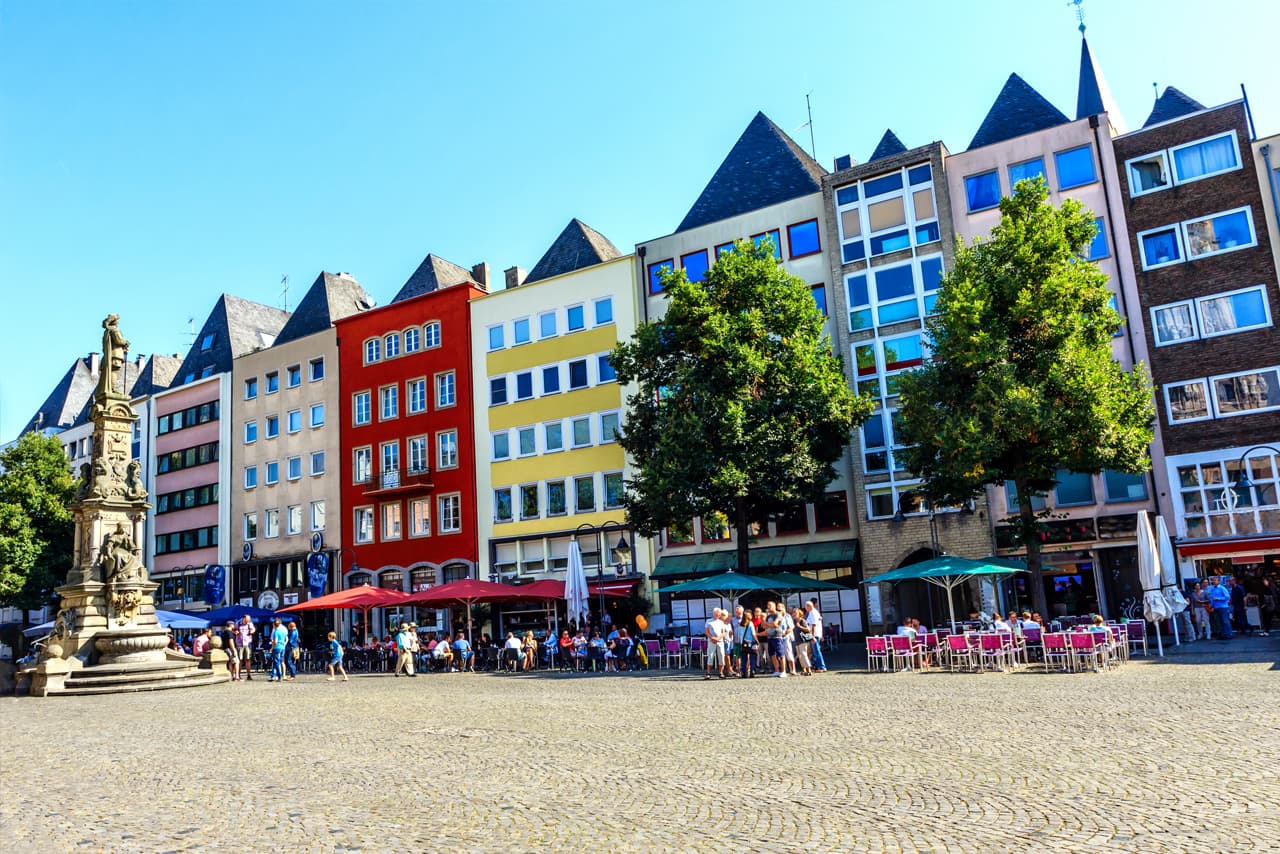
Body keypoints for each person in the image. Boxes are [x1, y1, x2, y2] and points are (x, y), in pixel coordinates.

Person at [704, 608, 727, 680]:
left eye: (718, 614)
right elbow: (707, 632)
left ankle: (721, 673)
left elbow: (723, 633)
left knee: (721, 656)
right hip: (711, 641)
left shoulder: (721, 622)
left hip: (720, 641)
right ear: (713, 614)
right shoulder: (708, 621)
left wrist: (718, 638)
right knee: (710, 657)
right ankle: (708, 673)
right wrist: (712, 638)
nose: (717, 615)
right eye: (716, 614)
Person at [805, 600, 827, 673]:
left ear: (808, 606)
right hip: (815, 634)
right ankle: (818, 666)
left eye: (806, 606)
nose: (805, 608)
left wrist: (812, 636)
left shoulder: (813, 613)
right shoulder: (813, 612)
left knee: (816, 651)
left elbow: (814, 625)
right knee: (815, 651)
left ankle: (821, 667)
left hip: (814, 634)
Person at [792, 607, 813, 676]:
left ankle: (809, 669)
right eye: (793, 613)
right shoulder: (793, 622)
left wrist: (800, 627)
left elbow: (808, 629)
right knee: (800, 656)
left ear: (799, 614)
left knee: (804, 655)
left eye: (795, 613)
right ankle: (804, 670)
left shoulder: (802, 621)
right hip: (797, 641)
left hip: (803, 641)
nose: (794, 614)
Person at [235, 615, 256, 680]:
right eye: (247, 620)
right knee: (239, 660)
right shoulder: (238, 623)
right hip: (239, 644)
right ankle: (238, 675)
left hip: (247, 643)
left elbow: (254, 629)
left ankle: (249, 675)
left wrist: (252, 631)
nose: (248, 621)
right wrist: (236, 632)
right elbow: (234, 630)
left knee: (248, 659)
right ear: (243, 619)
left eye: (248, 620)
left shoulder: (250, 624)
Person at [268, 618, 288, 682]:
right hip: (283, 647)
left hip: (277, 647)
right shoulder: (284, 630)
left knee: (276, 662)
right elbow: (286, 639)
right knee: (279, 661)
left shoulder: (276, 631)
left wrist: (272, 648)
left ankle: (279, 676)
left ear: (274, 624)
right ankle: (273, 676)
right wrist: (284, 644)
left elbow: (275, 641)